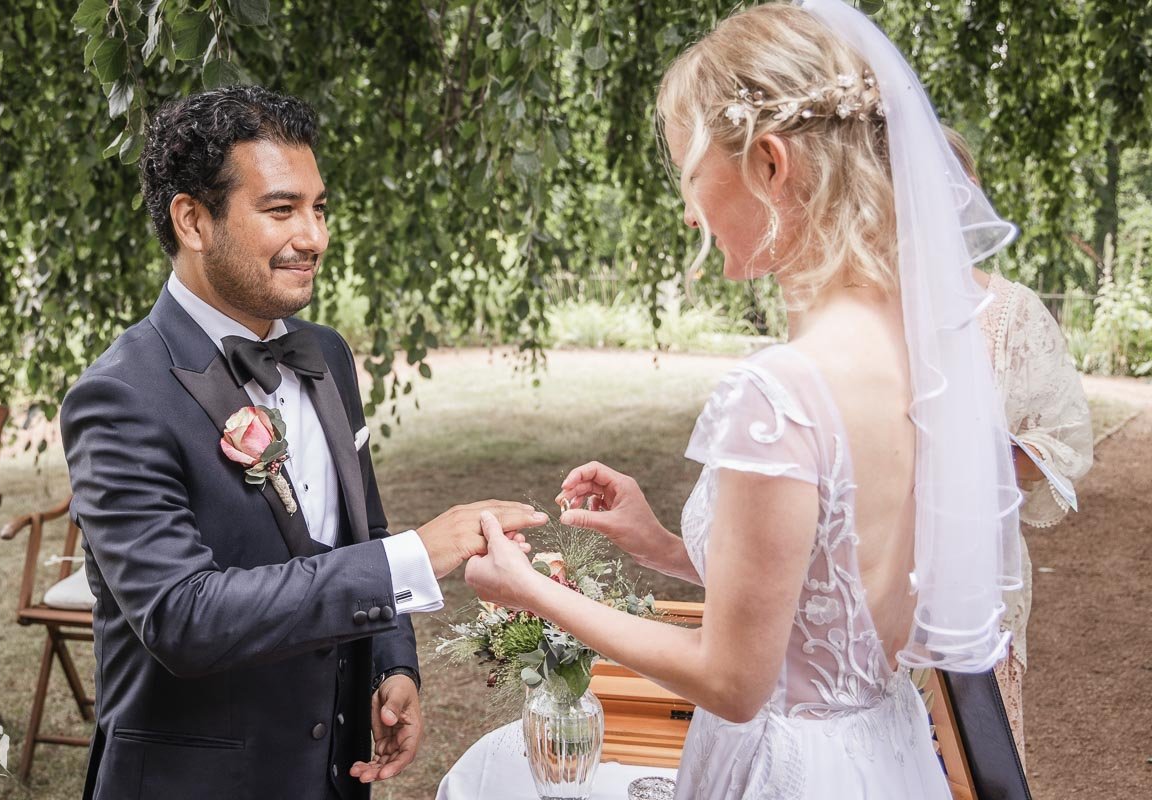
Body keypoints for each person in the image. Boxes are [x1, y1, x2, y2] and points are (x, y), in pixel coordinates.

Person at [464, 1, 1024, 797]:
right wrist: (658, 543)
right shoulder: (917, 355)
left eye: (693, 177)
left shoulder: (782, 390)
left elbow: (733, 681)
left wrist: (535, 593)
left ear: (768, 163)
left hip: (788, 770)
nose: (690, 213)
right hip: (887, 753)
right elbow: (829, 594)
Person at [60, 86, 543, 800]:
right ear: (192, 220)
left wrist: (392, 664)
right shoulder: (120, 396)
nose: (314, 237)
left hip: (332, 775)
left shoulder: (326, 355)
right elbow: (182, 617)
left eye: (319, 209)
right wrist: (416, 556)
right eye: (282, 210)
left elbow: (358, 531)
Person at [945, 126, 1094, 762]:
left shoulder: (1012, 314)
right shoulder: (856, 313)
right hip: (873, 586)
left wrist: (974, 465)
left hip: (981, 577)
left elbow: (1062, 442)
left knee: (976, 757)